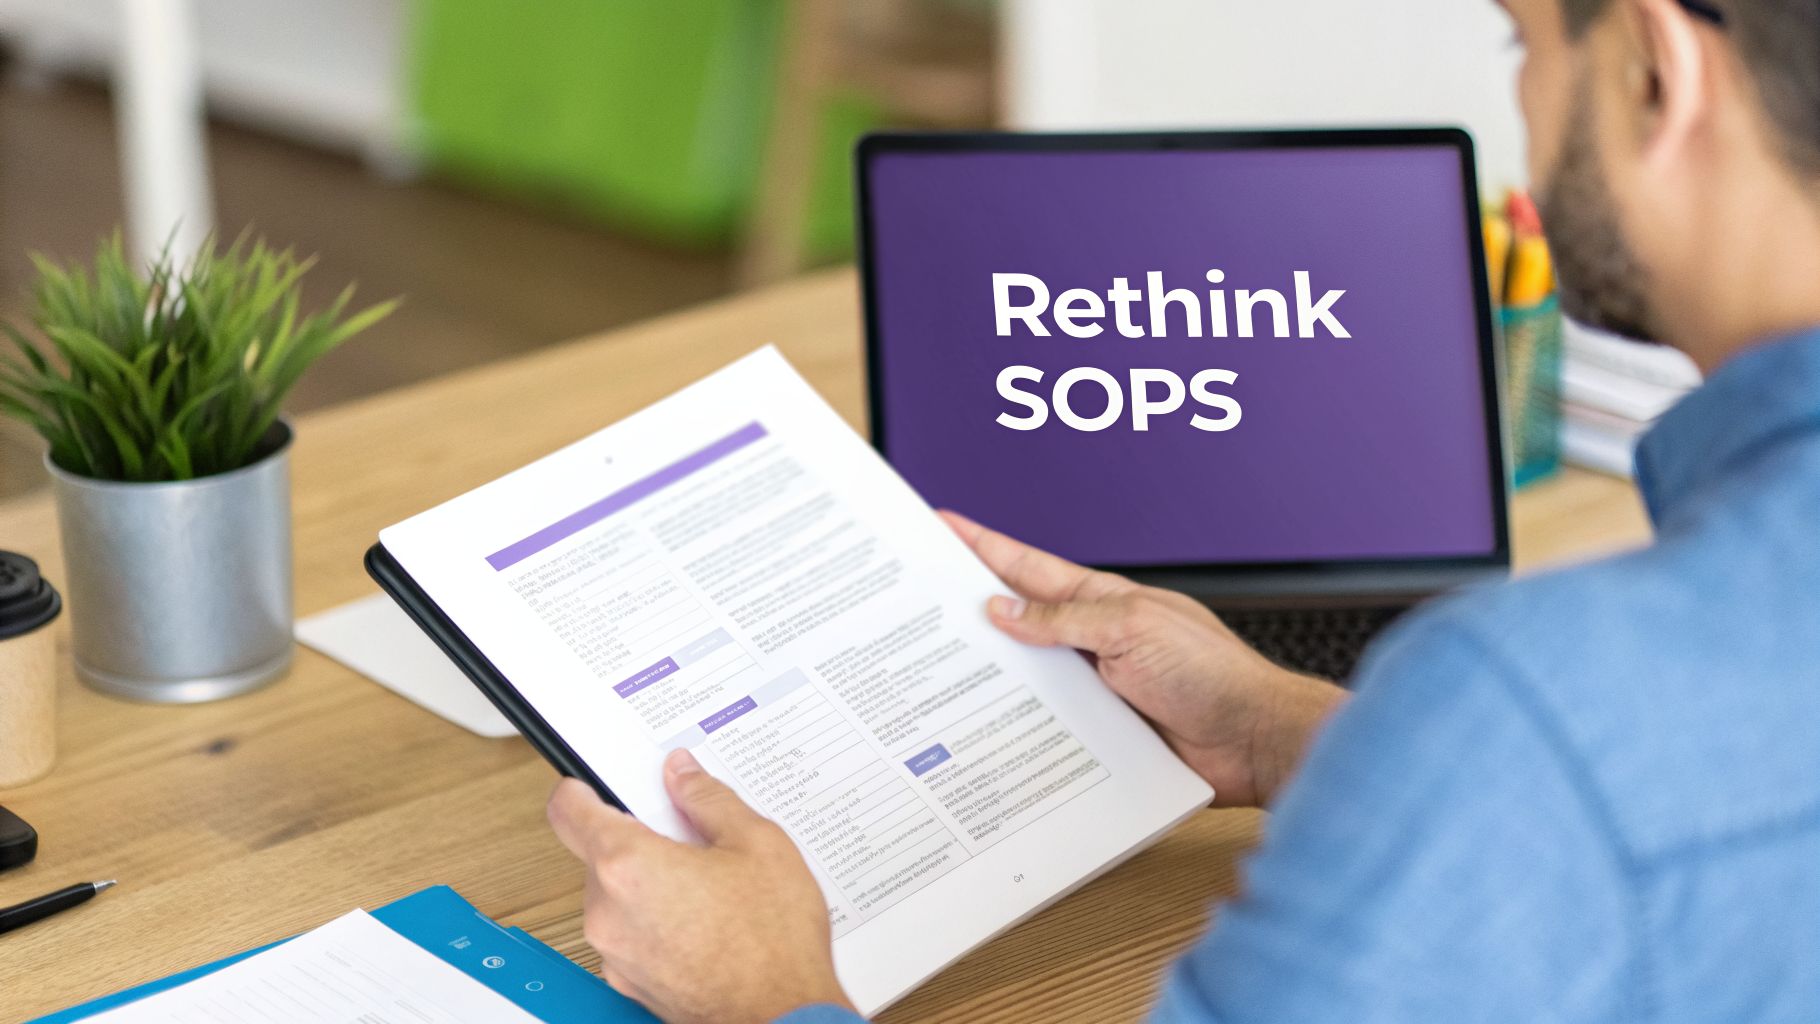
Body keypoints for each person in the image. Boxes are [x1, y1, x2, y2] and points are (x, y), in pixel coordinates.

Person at [543, 0, 1820, 1018]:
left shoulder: (1533, 705)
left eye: (1521, 44)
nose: (1522, 102)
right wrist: (1277, 722)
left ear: (1654, 72)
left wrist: (769, 997)